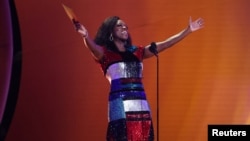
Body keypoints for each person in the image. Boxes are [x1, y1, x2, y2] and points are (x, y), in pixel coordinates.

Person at [74, 16, 204, 141]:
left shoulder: (138, 51)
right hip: (120, 104)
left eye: (126, 26)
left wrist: (188, 30)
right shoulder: (105, 54)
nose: (124, 28)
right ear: (111, 32)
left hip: (140, 104)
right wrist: (86, 36)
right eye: (119, 26)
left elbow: (166, 44)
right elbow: (93, 47)